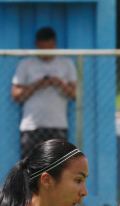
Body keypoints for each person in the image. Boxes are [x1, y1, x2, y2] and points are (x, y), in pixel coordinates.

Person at [12, 27, 77, 159]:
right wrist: (36, 85)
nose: (46, 53)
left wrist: (59, 84)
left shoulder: (66, 63)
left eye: (49, 48)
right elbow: (16, 95)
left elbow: (75, 95)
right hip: (32, 125)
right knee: (30, 165)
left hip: (57, 124)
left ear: (55, 45)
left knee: (57, 166)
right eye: (42, 49)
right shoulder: (26, 64)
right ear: (36, 45)